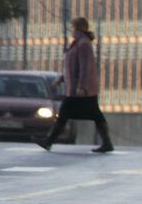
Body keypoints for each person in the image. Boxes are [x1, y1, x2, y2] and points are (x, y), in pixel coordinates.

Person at [38, 16, 114, 153]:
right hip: (76, 88)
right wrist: (61, 79)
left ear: (78, 28)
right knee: (93, 114)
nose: (71, 30)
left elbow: (85, 67)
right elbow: (71, 66)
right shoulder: (78, 43)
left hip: (81, 90)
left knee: (66, 113)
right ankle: (107, 142)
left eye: (72, 28)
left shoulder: (83, 44)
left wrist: (82, 87)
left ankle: (49, 141)